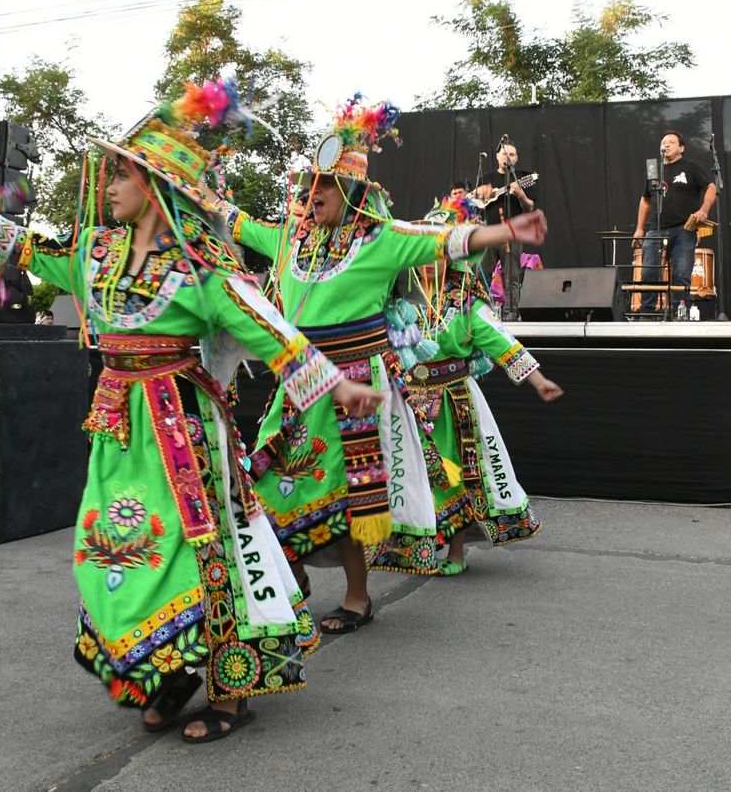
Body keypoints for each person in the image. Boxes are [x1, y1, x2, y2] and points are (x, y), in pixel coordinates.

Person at [0, 79, 381, 744]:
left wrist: (332, 385)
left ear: (156, 186)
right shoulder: (97, 252)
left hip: (181, 426)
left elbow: (267, 327)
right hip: (119, 427)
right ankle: (168, 672)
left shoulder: (198, 266)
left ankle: (231, 688)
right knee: (116, 550)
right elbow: (34, 253)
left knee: (204, 553)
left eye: (121, 174)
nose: (109, 186)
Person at [226, 95, 547, 634]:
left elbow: (440, 240)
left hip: (357, 385)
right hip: (300, 384)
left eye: (325, 186)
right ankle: (296, 577)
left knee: (349, 493)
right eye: (311, 185)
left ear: (351, 192)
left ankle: (357, 597)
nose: (314, 195)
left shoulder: (378, 242)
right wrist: (186, 185)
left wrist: (505, 231)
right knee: (268, 479)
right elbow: (235, 223)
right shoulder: (292, 239)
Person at [369, 196, 562, 577]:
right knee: (413, 474)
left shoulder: (466, 303)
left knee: (454, 473)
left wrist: (538, 379)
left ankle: (456, 551)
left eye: (436, 250)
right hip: (408, 401)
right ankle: (412, 546)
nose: (426, 261)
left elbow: (501, 341)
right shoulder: (398, 303)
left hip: (452, 402)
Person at [632, 131, 716, 313]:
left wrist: (704, 210)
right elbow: (645, 199)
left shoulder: (691, 167)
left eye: (671, 142)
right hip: (655, 229)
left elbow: (711, 186)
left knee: (682, 273)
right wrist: (639, 228)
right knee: (649, 272)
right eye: (664, 142)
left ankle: (680, 312)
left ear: (681, 148)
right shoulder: (654, 170)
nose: (666, 145)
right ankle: (647, 312)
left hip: (683, 229)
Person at [474, 140, 538, 314]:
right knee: (481, 277)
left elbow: (529, 207)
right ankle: (480, 313)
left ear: (516, 158)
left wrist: (520, 194)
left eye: (511, 155)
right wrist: (482, 194)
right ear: (497, 156)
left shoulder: (523, 177)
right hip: (488, 234)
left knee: (512, 277)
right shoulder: (486, 178)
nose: (507, 157)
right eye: (504, 154)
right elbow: (474, 200)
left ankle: (511, 314)